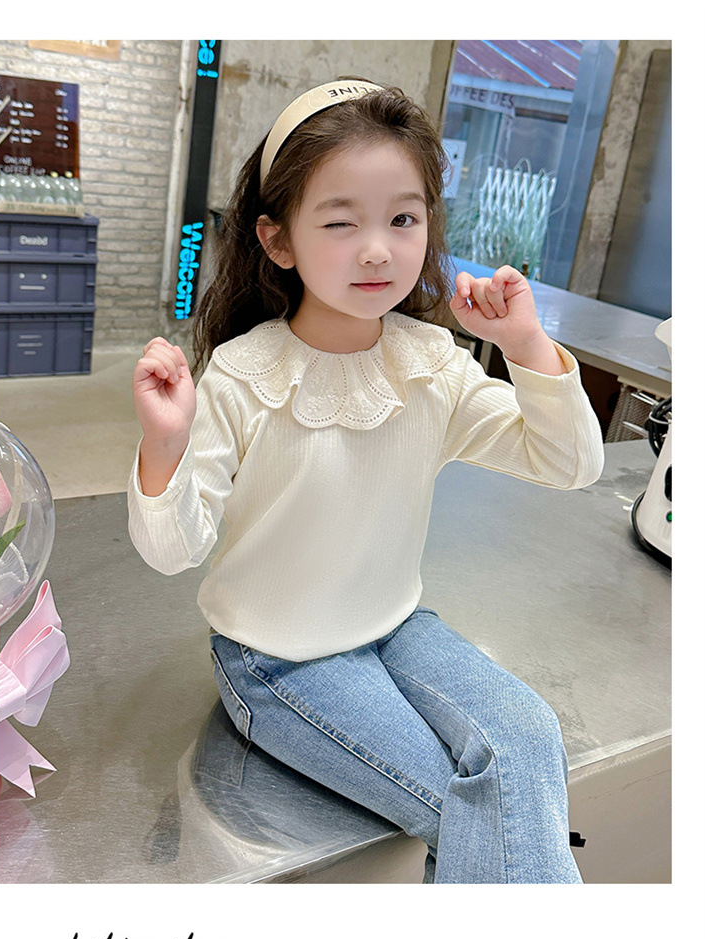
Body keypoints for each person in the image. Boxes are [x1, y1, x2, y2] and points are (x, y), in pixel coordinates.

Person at [128, 79, 605, 883]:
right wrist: (165, 444)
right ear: (278, 240)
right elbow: (172, 550)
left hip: (395, 627)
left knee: (529, 736)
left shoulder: (432, 364)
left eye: (403, 219)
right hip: (276, 661)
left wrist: (525, 345)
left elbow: (570, 464)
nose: (378, 249)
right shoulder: (243, 377)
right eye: (341, 222)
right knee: (482, 805)